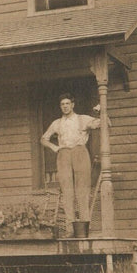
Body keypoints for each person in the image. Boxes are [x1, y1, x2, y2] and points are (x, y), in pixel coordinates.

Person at [40, 94, 100, 235]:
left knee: (82, 189)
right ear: (60, 106)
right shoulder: (57, 123)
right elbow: (43, 139)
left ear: (73, 104)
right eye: (62, 104)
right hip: (64, 154)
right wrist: (55, 148)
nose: (65, 106)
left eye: (68, 103)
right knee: (67, 190)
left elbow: (102, 123)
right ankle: (69, 228)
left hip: (80, 152)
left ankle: (84, 228)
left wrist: (101, 112)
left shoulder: (83, 119)